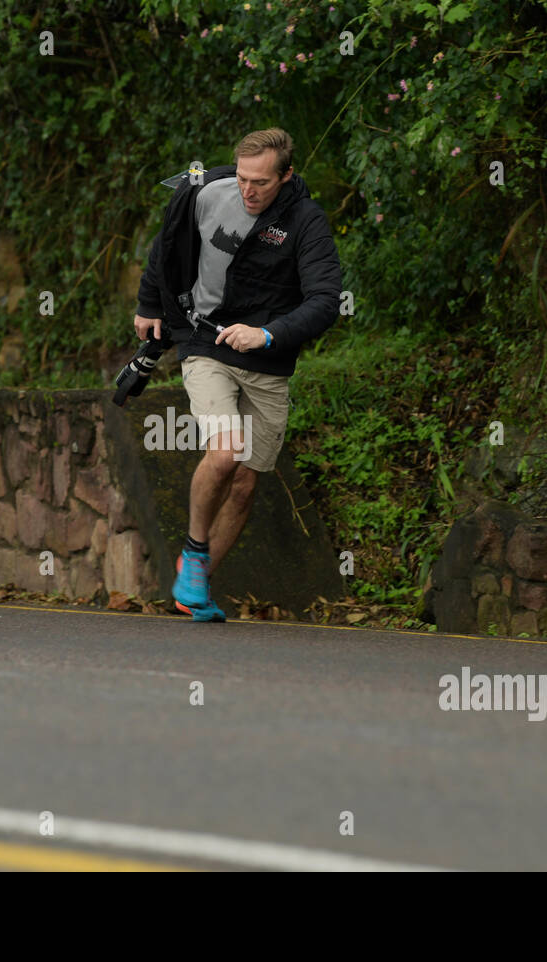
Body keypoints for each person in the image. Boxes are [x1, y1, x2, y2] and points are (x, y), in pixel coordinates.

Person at [133, 128, 342, 621]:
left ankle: (195, 583)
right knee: (224, 453)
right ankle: (195, 550)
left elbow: (325, 302)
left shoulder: (307, 222)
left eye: (262, 183)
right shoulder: (208, 191)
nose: (248, 190)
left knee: (246, 483)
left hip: (267, 358)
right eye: (243, 178)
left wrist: (267, 335)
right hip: (205, 340)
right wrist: (148, 302)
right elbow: (168, 242)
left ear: (286, 176)